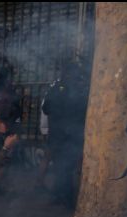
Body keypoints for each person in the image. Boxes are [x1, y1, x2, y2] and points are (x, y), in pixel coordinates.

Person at [41, 60, 89, 208]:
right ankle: (61, 196)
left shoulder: (59, 88)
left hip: (65, 135)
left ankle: (65, 198)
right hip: (68, 135)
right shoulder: (80, 88)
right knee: (63, 167)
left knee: (64, 167)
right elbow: (47, 108)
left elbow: (46, 108)